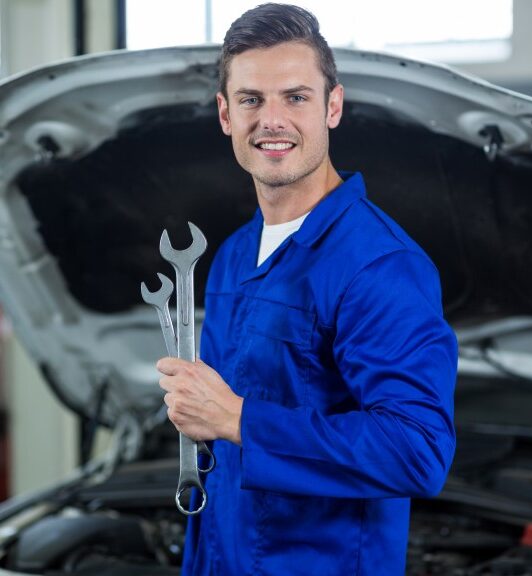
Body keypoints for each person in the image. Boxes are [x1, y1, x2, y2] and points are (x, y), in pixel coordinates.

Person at [157, 4, 458, 575]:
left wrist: (240, 419)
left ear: (332, 107)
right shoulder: (229, 257)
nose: (272, 120)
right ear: (225, 114)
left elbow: (417, 451)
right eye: (251, 99)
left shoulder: (379, 266)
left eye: (295, 97)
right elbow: (216, 440)